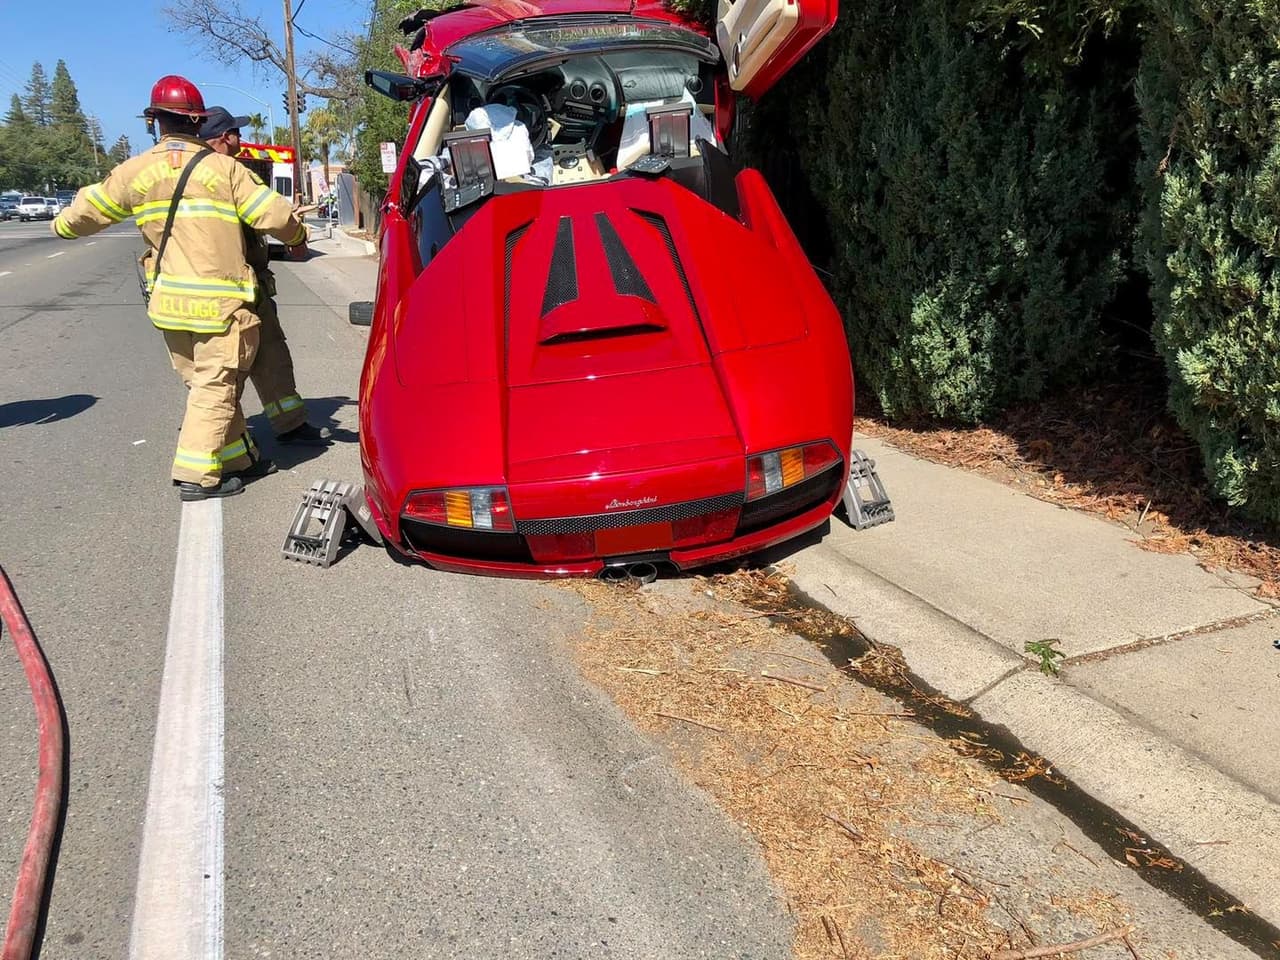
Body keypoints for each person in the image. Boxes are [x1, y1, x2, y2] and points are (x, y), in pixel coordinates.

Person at [50, 75, 308, 500]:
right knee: (216, 387)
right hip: (221, 307)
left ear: (155, 121)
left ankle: (237, 459)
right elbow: (276, 218)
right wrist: (298, 238)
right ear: (197, 121)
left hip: (171, 307)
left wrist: (60, 225)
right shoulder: (225, 170)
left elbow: (82, 216)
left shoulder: (132, 172)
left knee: (206, 385)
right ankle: (194, 475)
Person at [201, 106, 330, 446]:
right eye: (234, 133)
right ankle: (225, 450)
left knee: (272, 356)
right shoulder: (222, 174)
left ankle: (290, 423)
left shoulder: (210, 173)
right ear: (220, 138)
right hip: (226, 291)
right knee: (225, 374)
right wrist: (296, 235)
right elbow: (269, 216)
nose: (240, 139)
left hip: (249, 285)